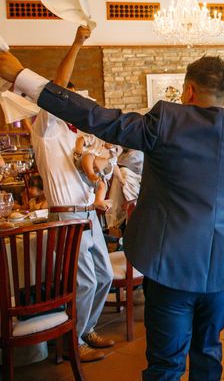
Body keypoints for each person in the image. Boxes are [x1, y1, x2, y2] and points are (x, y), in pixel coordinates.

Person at [0, 52, 224, 380]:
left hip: (170, 264)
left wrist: (22, 76)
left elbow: (93, 116)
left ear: (189, 90)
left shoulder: (163, 124)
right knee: (209, 349)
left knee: (166, 363)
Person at [12, 26, 115, 362]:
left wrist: (100, 164)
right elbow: (55, 87)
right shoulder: (46, 130)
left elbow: (93, 171)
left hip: (89, 214)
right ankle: (71, 343)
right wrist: (78, 42)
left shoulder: (74, 137)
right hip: (67, 215)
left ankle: (86, 329)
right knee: (83, 282)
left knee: (102, 277)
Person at [74, 135, 123, 211]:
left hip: (95, 177)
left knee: (102, 185)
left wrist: (120, 179)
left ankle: (99, 201)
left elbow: (114, 166)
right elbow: (81, 139)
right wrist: (78, 148)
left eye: (114, 143)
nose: (112, 144)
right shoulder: (96, 139)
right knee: (89, 155)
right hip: (84, 166)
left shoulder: (113, 154)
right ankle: (90, 174)